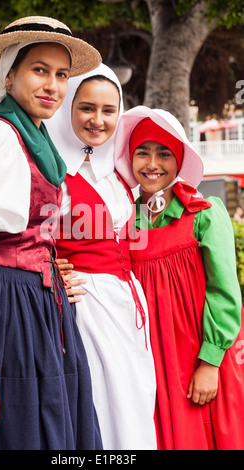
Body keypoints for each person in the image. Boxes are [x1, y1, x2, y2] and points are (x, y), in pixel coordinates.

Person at [0, 16, 103, 450]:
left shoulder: (39, 141)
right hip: (5, 316)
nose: (52, 84)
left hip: (42, 313)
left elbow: (30, 237)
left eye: (62, 74)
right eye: (39, 70)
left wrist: (52, 269)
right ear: (9, 75)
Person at [114, 105, 244, 450]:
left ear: (180, 159)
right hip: (151, 362)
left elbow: (224, 291)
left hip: (199, 357)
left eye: (164, 153)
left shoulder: (204, 213)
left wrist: (210, 362)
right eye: (142, 153)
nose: (152, 164)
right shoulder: (125, 221)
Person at [44, 64, 157, 450]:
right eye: (86, 108)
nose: (98, 120)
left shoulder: (118, 170)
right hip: (86, 305)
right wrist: (49, 265)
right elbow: (25, 238)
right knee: (103, 407)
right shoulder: (55, 174)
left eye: (109, 110)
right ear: (67, 109)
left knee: (137, 399)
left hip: (128, 301)